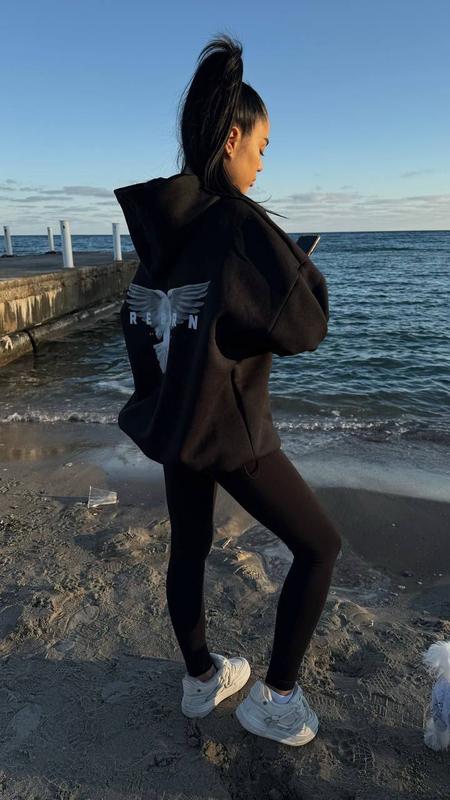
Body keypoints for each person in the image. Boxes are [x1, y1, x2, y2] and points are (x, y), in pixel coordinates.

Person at [114, 33, 342, 747]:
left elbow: (152, 318)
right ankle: (276, 699)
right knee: (320, 546)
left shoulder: (163, 229)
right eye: (262, 147)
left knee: (189, 544)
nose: (262, 162)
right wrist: (293, 265)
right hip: (227, 430)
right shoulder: (239, 223)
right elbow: (306, 324)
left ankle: (199, 678)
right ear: (233, 138)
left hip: (174, 420)